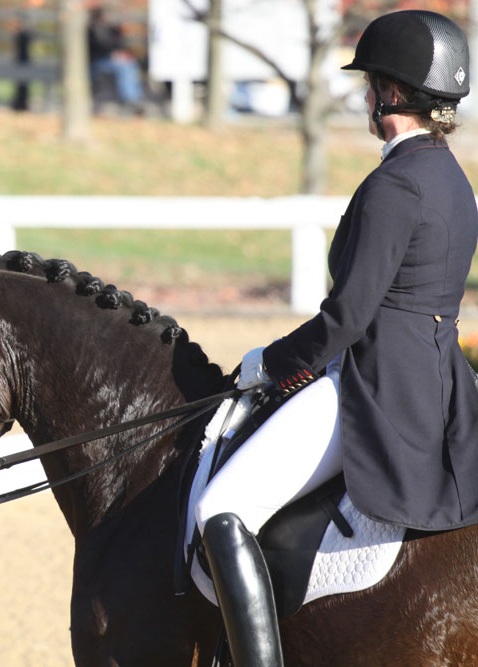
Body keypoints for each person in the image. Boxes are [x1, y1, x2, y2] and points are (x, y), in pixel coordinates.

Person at [193, 10, 478, 666]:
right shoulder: (452, 179)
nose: (367, 97)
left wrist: (269, 363)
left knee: (220, 506)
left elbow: (346, 319)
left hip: (376, 384)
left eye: (372, 85)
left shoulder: (393, 186)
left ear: (394, 93)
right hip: (440, 381)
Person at [87, 4, 144, 113]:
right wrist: (112, 55)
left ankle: (135, 98)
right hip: (97, 62)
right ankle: (131, 100)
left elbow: (118, 45)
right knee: (124, 67)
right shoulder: (92, 30)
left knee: (129, 63)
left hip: (110, 60)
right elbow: (99, 47)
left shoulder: (111, 29)